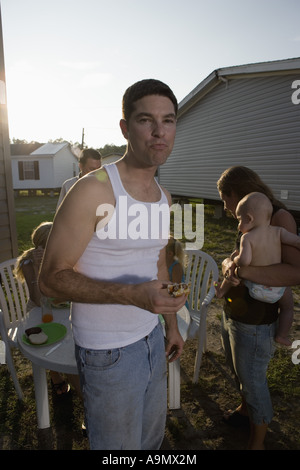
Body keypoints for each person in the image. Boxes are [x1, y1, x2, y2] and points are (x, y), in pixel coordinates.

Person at [39, 79, 187, 450]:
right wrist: (131, 295)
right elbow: (51, 279)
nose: (158, 132)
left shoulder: (163, 197)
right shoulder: (94, 189)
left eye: (168, 121)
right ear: (124, 128)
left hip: (152, 338)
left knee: (149, 444)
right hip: (107, 351)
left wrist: (170, 325)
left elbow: (158, 260)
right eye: (145, 120)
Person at [216, 166, 300, 450]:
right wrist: (229, 266)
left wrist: (246, 272)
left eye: (224, 199)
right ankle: (244, 411)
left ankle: (257, 442)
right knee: (241, 373)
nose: (225, 208)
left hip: (257, 320)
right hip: (237, 311)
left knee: (252, 380)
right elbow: (236, 256)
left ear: (234, 193)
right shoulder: (250, 216)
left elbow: (294, 271)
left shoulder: (278, 217)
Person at [215, 191, 300, 346]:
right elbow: (296, 241)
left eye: (239, 220)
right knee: (288, 307)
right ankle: (282, 335)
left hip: (256, 285)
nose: (239, 224)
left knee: (234, 272)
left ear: (249, 219)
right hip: (276, 287)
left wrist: (234, 259)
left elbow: (245, 261)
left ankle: (221, 291)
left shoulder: (247, 237)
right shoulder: (279, 232)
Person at [14, 222, 70, 396]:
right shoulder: (29, 262)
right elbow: (38, 300)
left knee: (70, 336)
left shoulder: (59, 256)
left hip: (60, 308)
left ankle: (69, 367)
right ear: (39, 247)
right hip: (38, 312)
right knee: (49, 341)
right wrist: (40, 268)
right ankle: (55, 375)